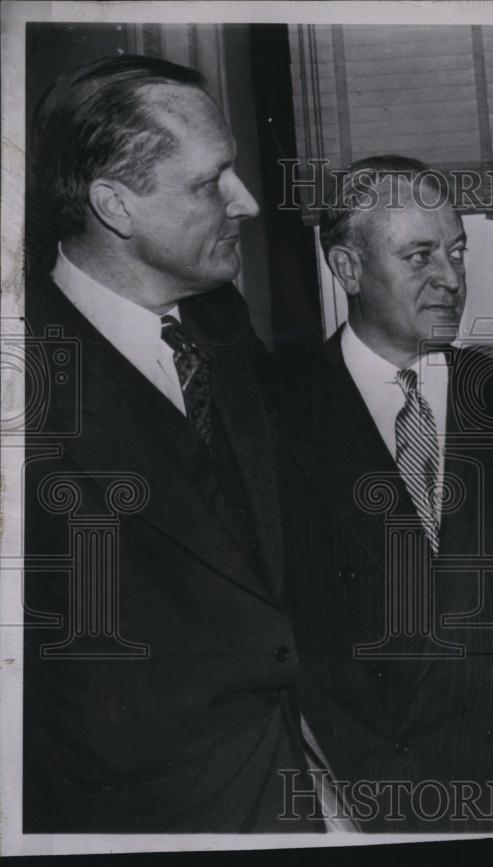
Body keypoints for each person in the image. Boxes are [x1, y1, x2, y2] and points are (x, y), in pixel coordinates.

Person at [23, 55, 319, 833]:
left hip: (284, 776)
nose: (247, 201)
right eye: (208, 182)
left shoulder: (219, 318)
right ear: (115, 205)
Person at [278, 156, 493, 832]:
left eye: (457, 251)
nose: (452, 279)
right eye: (420, 255)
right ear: (346, 269)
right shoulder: (276, 411)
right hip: (362, 800)